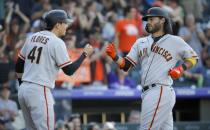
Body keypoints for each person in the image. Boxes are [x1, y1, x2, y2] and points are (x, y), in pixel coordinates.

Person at [106, 7, 198, 130]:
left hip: (160, 90)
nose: (148, 22)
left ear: (162, 20)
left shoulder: (174, 41)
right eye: (147, 19)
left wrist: (181, 69)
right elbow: (126, 66)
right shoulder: (141, 42)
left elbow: (193, 58)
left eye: (152, 19)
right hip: (147, 92)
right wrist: (115, 56)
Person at [15, 9, 93, 130]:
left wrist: (21, 83)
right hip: (39, 90)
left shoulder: (32, 37)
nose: (66, 26)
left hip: (24, 90)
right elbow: (69, 70)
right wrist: (84, 55)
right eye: (65, 23)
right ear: (57, 25)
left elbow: (19, 63)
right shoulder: (57, 42)